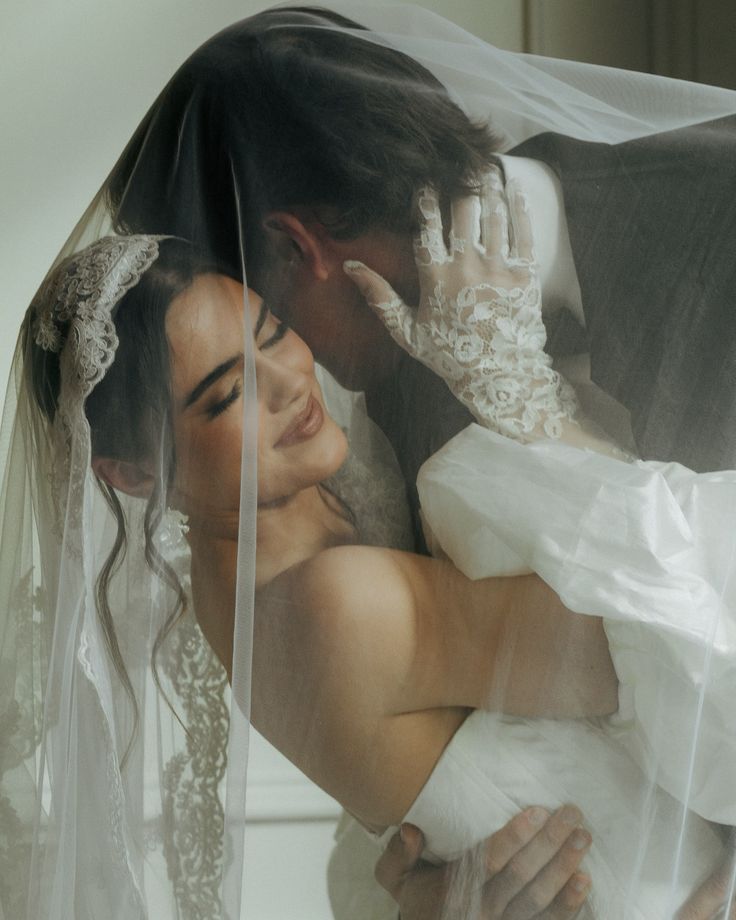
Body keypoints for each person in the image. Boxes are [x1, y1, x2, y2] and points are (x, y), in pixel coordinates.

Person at [100, 4, 736, 916]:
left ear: (295, 249)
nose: (293, 373)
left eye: (265, 318)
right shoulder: (394, 393)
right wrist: (431, 893)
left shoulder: (717, 213)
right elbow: (466, 745)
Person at [15, 231, 733, 920]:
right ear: (136, 475)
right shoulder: (328, 605)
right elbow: (667, 640)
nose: (292, 383)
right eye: (229, 394)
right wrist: (522, 393)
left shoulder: (282, 530)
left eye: (269, 334)